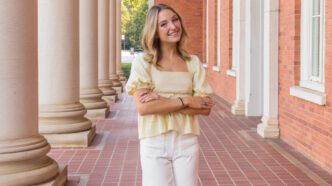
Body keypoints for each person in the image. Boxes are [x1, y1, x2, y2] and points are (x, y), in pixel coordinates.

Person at [126, 3, 214, 186]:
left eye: (175, 20)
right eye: (163, 24)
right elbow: (144, 107)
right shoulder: (143, 63)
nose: (173, 27)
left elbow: (205, 108)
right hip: (154, 141)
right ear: (154, 31)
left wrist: (162, 100)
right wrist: (188, 100)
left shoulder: (192, 62)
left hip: (187, 141)